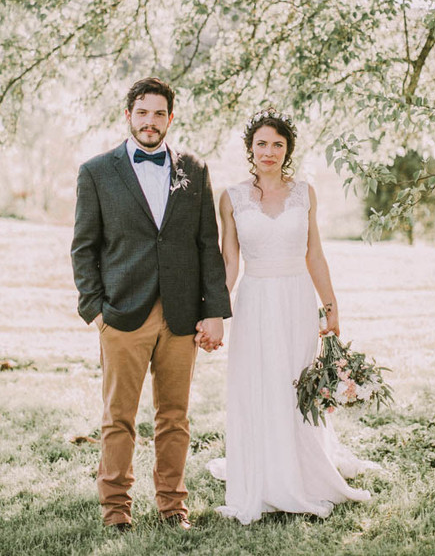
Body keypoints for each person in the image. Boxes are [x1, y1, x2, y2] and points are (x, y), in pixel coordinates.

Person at [71, 77, 231, 533]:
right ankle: (116, 510)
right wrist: (95, 310)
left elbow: (207, 244)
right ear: (129, 116)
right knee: (118, 417)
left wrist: (214, 310)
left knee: (175, 417)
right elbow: (84, 247)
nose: (150, 121)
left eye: (159, 113)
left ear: (170, 119)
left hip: (182, 315)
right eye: (142, 112)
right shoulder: (97, 172)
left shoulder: (194, 169)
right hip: (122, 314)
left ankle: (172, 507)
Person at [204, 107, 374, 524]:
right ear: (250, 148)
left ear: (288, 150)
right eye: (261, 143)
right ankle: (264, 472)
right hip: (255, 300)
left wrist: (331, 307)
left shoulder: (305, 193)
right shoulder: (231, 197)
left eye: (277, 144)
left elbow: (314, 254)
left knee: (296, 382)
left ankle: (302, 467)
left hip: (297, 299)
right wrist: (214, 312)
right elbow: (230, 261)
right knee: (259, 382)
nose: (269, 151)